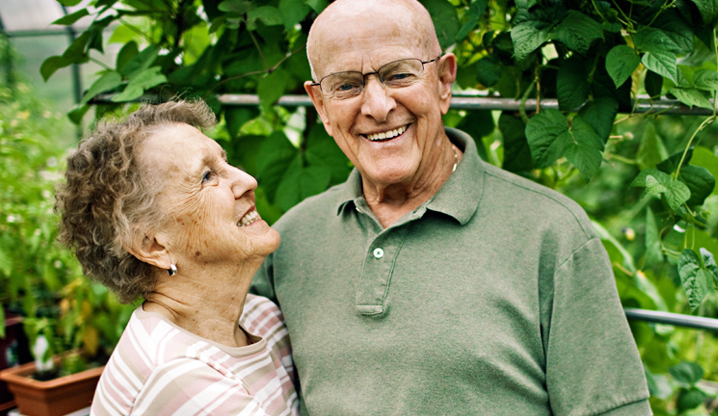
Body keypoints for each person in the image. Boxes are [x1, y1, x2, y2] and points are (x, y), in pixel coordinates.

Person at [250, 0, 651, 415]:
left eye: (399, 74)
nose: (377, 106)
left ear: (444, 81)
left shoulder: (550, 234)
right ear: (321, 106)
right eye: (347, 85)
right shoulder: (290, 242)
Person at [57, 100, 298, 415]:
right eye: (207, 176)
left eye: (226, 163)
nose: (247, 181)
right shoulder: (177, 373)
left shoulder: (261, 318)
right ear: (152, 245)